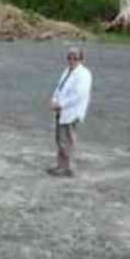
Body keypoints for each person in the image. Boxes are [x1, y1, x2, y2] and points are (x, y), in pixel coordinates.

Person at [47, 46, 92, 178]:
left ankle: (69, 167)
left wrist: (61, 104)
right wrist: (53, 100)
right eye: (70, 57)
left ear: (82, 59)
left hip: (72, 111)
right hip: (61, 109)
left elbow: (79, 95)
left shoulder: (84, 74)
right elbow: (59, 87)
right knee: (60, 138)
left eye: (75, 58)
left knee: (68, 139)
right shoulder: (67, 71)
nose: (72, 60)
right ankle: (61, 165)